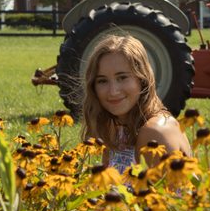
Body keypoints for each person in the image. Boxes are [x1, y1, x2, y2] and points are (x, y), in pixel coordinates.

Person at [81, 34, 192, 174]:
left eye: (122, 77)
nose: (113, 91)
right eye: (102, 81)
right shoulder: (116, 128)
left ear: (142, 79)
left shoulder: (154, 133)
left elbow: (164, 195)